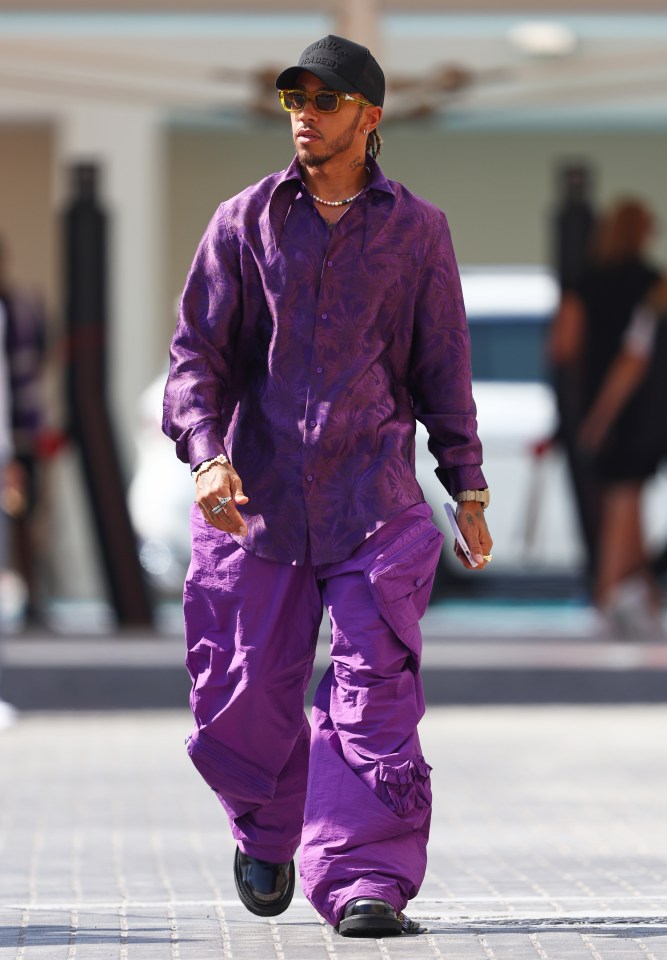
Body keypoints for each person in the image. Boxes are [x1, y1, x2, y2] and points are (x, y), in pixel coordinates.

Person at [163, 34, 492, 938]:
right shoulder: (243, 222)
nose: (306, 110)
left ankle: (363, 877)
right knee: (243, 694)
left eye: (327, 98)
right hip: (256, 506)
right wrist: (206, 455)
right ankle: (267, 827)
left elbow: (442, 366)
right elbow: (196, 356)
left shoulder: (416, 231)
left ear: (370, 118)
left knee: (371, 688)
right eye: (294, 97)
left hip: (372, 505)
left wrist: (464, 486)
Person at [550, 198, 662, 635]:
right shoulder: (653, 284)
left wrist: (596, 416)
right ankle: (636, 591)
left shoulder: (586, 282)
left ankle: (608, 595)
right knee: (629, 499)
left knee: (620, 500)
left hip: (608, 404)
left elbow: (563, 345)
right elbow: (637, 356)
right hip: (647, 409)